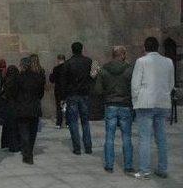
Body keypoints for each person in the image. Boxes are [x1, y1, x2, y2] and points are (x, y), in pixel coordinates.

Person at [131, 37, 175, 179]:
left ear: (145, 48)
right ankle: (163, 168)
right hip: (162, 102)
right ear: (158, 47)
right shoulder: (168, 62)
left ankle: (144, 170)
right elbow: (171, 83)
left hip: (145, 102)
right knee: (161, 138)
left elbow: (135, 84)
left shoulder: (141, 61)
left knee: (145, 138)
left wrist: (135, 100)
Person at [94, 46, 134, 174]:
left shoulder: (104, 70)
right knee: (127, 137)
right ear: (122, 55)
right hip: (125, 105)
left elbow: (98, 90)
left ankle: (109, 165)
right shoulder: (129, 70)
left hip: (110, 105)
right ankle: (128, 166)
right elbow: (134, 87)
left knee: (109, 136)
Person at [11, 57, 45, 165]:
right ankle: (29, 151)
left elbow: (14, 93)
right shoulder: (37, 77)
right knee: (32, 131)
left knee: (24, 132)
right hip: (34, 107)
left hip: (22, 108)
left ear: (22, 65)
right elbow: (41, 94)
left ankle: (27, 154)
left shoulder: (18, 77)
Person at [62, 42, 93, 155]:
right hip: (84, 94)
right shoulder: (89, 61)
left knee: (73, 121)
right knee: (85, 121)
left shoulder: (67, 63)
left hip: (72, 95)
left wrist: (63, 96)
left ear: (72, 50)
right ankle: (88, 147)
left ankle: (77, 148)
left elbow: (63, 82)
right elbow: (94, 75)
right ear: (82, 49)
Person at [0, 65, 21, 153]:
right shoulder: (19, 81)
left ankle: (7, 144)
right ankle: (15, 146)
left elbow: (3, 94)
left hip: (8, 106)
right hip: (17, 106)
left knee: (8, 126)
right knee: (16, 127)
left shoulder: (6, 81)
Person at [49, 54, 67, 128]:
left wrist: (51, 75)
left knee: (59, 107)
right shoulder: (67, 68)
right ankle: (68, 122)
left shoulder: (56, 68)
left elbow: (52, 80)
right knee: (66, 106)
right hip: (66, 90)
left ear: (58, 59)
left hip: (58, 90)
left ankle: (59, 123)